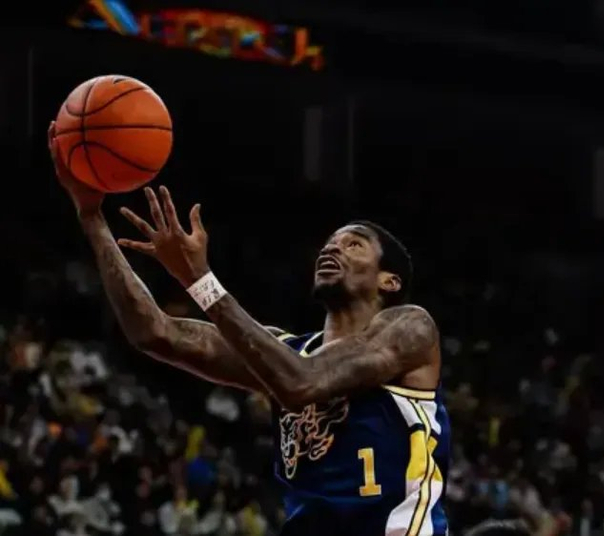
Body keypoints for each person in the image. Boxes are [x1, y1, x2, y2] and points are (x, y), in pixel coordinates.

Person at [48, 121, 451, 536]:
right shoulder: (281, 352)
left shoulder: (412, 328)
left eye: (354, 244)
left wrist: (201, 281)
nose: (332, 247)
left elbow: (303, 382)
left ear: (390, 281)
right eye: (330, 242)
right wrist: (92, 217)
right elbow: (155, 332)